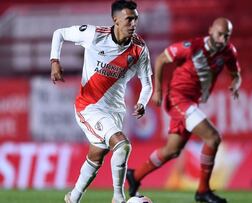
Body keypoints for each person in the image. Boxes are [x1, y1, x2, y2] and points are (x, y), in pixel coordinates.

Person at [126, 17, 241, 203]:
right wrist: (158, 90)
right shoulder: (191, 47)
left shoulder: (228, 51)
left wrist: (236, 82)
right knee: (212, 137)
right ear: (211, 30)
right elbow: (162, 59)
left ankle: (135, 175)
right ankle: (203, 191)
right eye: (219, 34)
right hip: (177, 98)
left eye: (226, 36)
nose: (222, 39)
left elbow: (235, 72)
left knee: (172, 150)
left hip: (193, 101)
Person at [50, 1, 153, 203]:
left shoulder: (139, 50)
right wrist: (55, 61)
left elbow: (147, 83)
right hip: (89, 107)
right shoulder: (94, 34)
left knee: (97, 155)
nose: (133, 24)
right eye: (129, 19)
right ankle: (118, 197)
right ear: (115, 20)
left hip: (115, 111)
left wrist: (142, 102)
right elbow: (59, 33)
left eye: (135, 19)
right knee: (122, 145)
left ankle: (73, 197)